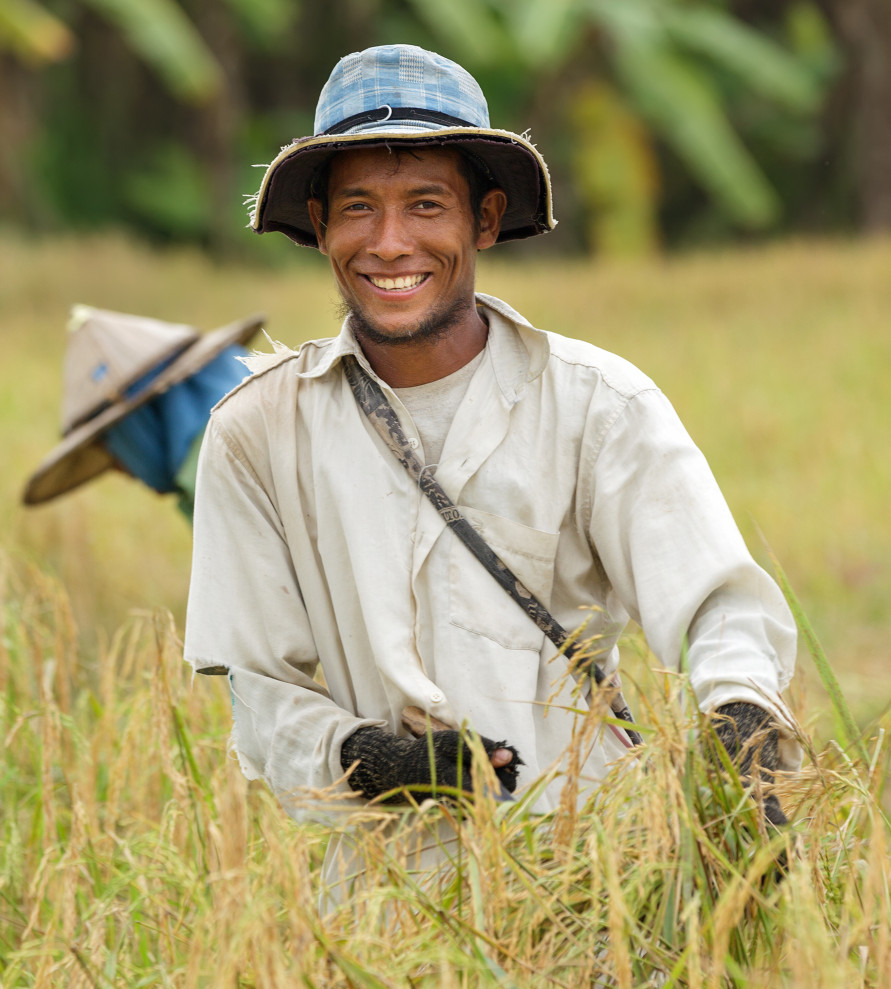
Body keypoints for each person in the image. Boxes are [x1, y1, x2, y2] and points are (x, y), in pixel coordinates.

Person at [183, 45, 799, 897]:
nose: (389, 242)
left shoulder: (597, 404)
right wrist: (375, 760)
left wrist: (741, 737)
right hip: (384, 907)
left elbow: (719, 607)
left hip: (604, 883)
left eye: (425, 203)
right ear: (320, 224)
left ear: (484, 217)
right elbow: (260, 695)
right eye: (358, 207)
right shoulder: (256, 431)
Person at [22, 305, 264, 520]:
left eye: (111, 447)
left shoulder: (217, 472)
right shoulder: (263, 415)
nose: (121, 472)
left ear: (140, 423)